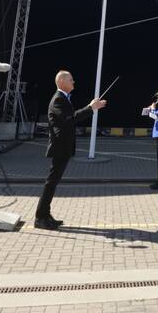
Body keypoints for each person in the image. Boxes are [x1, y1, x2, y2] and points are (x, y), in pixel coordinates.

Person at [34, 70, 106, 229]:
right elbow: (69, 119)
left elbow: (69, 118)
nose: (73, 82)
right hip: (60, 147)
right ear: (61, 82)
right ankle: (40, 217)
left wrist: (92, 107)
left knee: (53, 182)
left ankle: (45, 215)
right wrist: (90, 107)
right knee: (51, 182)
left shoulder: (64, 99)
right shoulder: (58, 99)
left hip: (63, 147)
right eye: (71, 80)